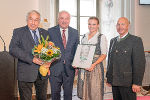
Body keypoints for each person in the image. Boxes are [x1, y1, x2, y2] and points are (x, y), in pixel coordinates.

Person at [9, 10, 50, 100]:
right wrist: (32, 59)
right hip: (25, 72)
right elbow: (13, 49)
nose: (33, 22)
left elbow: (48, 51)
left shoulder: (45, 33)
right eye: (31, 19)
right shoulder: (18, 32)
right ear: (27, 20)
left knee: (42, 98)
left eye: (36, 20)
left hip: (42, 73)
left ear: (39, 22)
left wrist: (48, 63)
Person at [106, 17, 146, 100]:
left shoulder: (135, 40)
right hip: (115, 81)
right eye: (118, 24)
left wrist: (137, 83)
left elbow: (139, 63)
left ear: (128, 26)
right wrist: (109, 78)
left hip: (128, 82)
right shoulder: (113, 41)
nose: (120, 27)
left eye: (123, 24)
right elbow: (110, 61)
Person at [48, 11, 79, 100]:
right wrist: (46, 67)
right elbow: (46, 50)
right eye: (62, 18)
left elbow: (76, 50)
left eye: (66, 18)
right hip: (54, 69)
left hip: (70, 69)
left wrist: (77, 67)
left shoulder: (75, 32)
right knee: (55, 94)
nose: (64, 21)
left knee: (68, 95)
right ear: (58, 19)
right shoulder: (50, 31)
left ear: (69, 20)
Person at [77, 17, 107, 100]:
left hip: (95, 67)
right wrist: (77, 64)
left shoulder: (101, 37)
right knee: (84, 91)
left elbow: (104, 54)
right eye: (89, 24)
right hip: (83, 67)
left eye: (94, 24)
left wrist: (93, 64)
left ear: (98, 25)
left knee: (94, 91)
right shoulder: (84, 36)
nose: (91, 26)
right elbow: (81, 52)